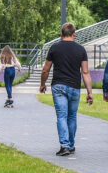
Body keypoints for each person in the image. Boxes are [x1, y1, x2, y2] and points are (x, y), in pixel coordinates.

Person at [39, 23, 93, 156]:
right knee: (72, 116)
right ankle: (71, 145)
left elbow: (46, 69)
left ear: (61, 34)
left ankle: (65, 146)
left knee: (62, 116)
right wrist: (89, 92)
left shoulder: (54, 48)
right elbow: (85, 72)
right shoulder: (81, 50)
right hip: (75, 86)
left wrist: (42, 84)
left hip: (59, 86)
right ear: (74, 34)